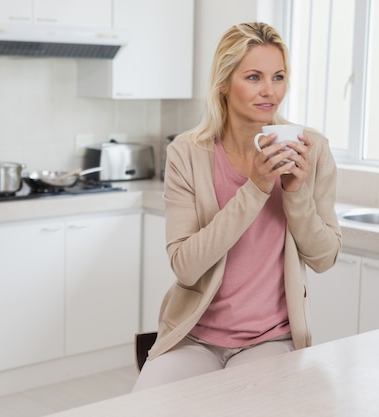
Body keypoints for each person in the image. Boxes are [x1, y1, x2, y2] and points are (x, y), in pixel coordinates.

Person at [132, 22, 342, 391]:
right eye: (254, 77)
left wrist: (295, 192)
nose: (269, 91)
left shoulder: (312, 150)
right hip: (194, 336)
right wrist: (256, 188)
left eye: (278, 77)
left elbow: (324, 258)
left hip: (270, 340)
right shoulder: (188, 152)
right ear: (224, 83)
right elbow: (186, 266)